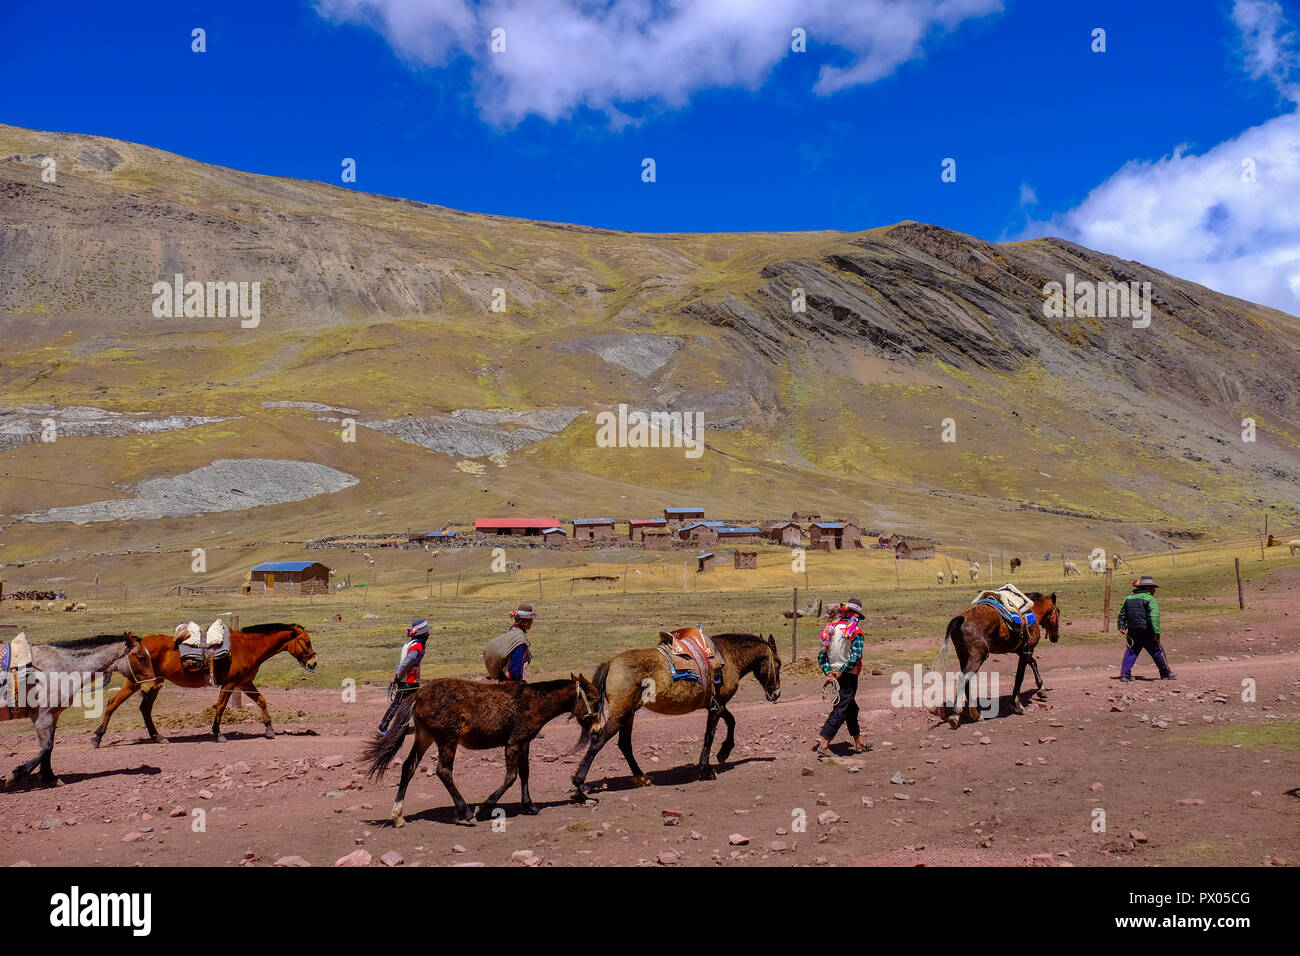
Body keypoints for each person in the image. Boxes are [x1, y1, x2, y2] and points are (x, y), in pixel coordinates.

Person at [814, 598, 871, 757]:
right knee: (841, 708)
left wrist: (829, 672)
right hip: (848, 675)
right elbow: (855, 656)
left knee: (851, 708)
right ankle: (824, 743)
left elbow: (821, 656)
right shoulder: (856, 632)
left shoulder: (830, 629)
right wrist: (842, 671)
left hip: (834, 675)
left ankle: (858, 741)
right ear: (855, 615)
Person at [1118, 576, 1177, 681]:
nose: (1154, 590)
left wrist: (1121, 626)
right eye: (1152, 587)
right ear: (1146, 588)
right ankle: (1165, 673)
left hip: (1132, 631)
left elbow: (1122, 613)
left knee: (1131, 651)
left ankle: (1125, 675)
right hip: (1147, 631)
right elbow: (1153, 618)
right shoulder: (1150, 599)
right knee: (1157, 651)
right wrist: (1156, 632)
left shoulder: (1128, 598)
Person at [377, 619, 428, 734]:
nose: (428, 634)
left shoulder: (409, 643)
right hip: (408, 681)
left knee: (411, 703)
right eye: (426, 632)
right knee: (398, 704)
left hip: (408, 680)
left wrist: (396, 677)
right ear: (422, 634)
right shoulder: (417, 647)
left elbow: (402, 662)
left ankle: (404, 727)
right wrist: (398, 677)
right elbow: (406, 663)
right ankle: (383, 727)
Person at [484, 604, 535, 681]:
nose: (532, 621)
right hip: (510, 685)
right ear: (527, 621)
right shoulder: (520, 641)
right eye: (531, 619)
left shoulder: (512, 631)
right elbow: (515, 670)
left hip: (502, 679)